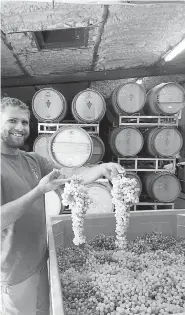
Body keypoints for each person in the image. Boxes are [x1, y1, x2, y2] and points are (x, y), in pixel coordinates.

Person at [0, 97, 124, 315]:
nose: (20, 128)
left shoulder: (32, 160)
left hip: (42, 261)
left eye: (24, 122)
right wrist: (38, 191)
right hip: (14, 270)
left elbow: (70, 175)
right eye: (12, 121)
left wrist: (102, 168)